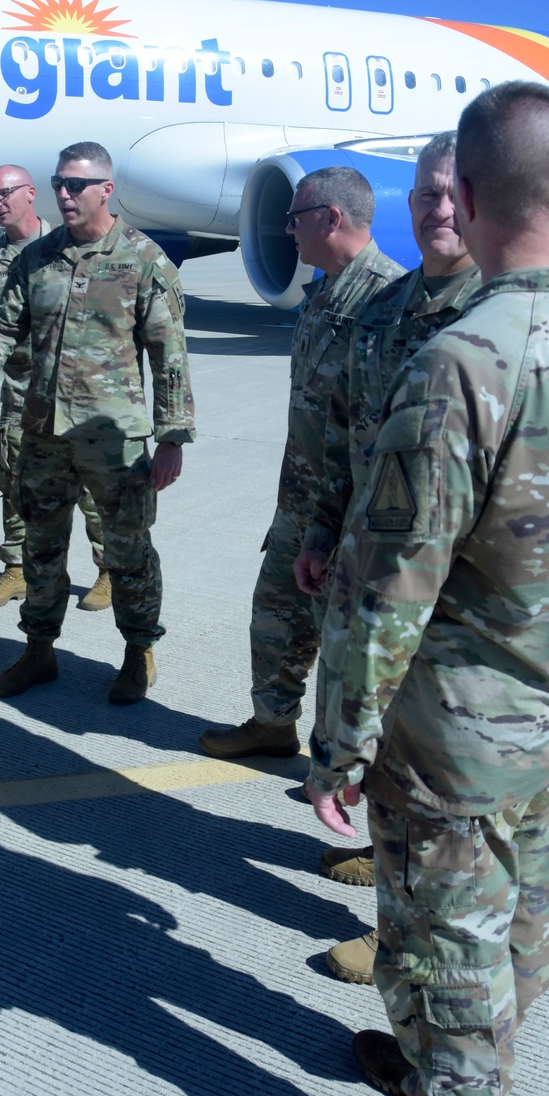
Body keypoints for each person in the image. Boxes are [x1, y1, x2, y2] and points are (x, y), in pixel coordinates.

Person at [304, 81, 549, 1096]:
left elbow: (388, 582)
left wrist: (338, 739)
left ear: (461, 198)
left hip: (464, 729)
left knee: (451, 931)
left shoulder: (467, 358)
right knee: (521, 919)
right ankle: (445, 1076)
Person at [294, 133, 483, 986]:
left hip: (458, 589)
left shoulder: (500, 315)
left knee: (430, 771)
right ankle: (387, 872)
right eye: (422, 196)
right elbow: (344, 435)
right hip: (371, 569)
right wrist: (321, 531)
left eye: (450, 194)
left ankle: (404, 935)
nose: (436, 210)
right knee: (373, 742)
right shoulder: (387, 308)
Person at [199, 167, 403, 759]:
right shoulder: (325, 292)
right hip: (300, 502)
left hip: (350, 512)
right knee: (277, 616)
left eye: (295, 218)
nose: (287, 230)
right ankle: (272, 722)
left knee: (346, 646)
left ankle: (339, 759)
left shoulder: (386, 301)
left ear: (330, 219)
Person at [0, 142, 194, 705]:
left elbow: (168, 353)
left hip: (114, 440)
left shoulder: (144, 260)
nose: (64, 194)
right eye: (58, 183)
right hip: (44, 433)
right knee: (41, 549)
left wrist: (172, 436)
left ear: (107, 189)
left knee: (128, 550)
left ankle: (137, 650)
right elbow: (1, 328)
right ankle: (39, 649)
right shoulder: (38, 258)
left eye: (76, 184)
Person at [0, 166, 111, 616]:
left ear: (29, 194)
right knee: (17, 483)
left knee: (89, 489)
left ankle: (107, 570)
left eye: (6, 193)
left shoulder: (67, 246)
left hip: (78, 394)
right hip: (22, 395)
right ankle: (17, 567)